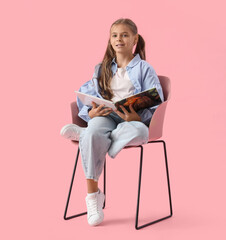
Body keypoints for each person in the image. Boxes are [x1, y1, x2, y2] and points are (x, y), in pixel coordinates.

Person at [60, 18, 164, 226]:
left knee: (140, 134)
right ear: (110, 40)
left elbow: (156, 99)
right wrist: (91, 113)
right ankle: (93, 196)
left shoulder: (144, 68)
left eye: (125, 35)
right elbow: (86, 94)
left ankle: (90, 136)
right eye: (115, 35)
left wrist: (138, 117)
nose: (119, 39)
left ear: (135, 39)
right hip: (106, 115)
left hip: (131, 121)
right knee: (94, 130)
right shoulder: (102, 68)